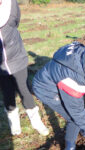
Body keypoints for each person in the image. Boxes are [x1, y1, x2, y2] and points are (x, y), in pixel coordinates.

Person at [32, 41, 85, 150]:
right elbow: (77, 112)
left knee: (79, 119)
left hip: (52, 77)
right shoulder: (73, 81)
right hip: (46, 89)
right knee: (74, 120)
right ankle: (70, 147)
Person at [0, 0, 49, 136]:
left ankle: (36, 121)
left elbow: (15, 22)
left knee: (25, 91)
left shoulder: (11, 5)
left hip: (17, 58)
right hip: (0, 66)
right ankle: (14, 123)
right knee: (8, 94)